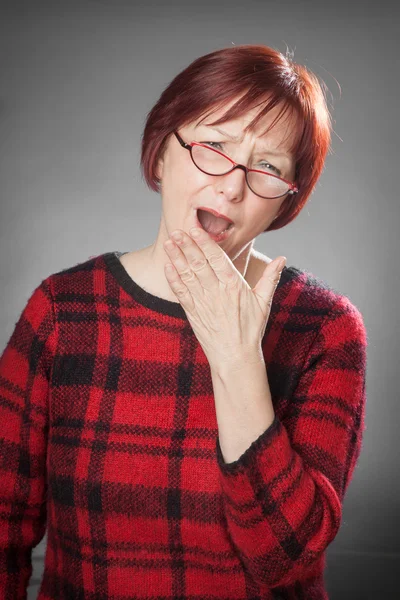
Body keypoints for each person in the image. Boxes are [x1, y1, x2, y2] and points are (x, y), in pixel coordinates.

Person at [0, 44, 367, 599]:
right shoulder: (63, 311)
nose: (232, 186)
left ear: (285, 203)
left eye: (269, 167)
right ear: (161, 155)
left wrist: (238, 361)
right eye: (213, 146)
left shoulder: (325, 329)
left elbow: (284, 561)